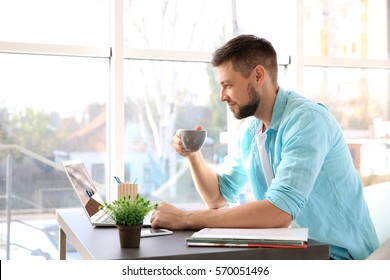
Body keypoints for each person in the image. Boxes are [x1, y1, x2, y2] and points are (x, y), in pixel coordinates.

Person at [150, 34, 379, 260]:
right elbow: (218, 197)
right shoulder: (250, 132)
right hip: (292, 253)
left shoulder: (306, 121)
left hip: (338, 258)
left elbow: (279, 212)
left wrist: (185, 218)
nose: (222, 97)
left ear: (258, 75)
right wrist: (193, 156)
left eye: (227, 85)